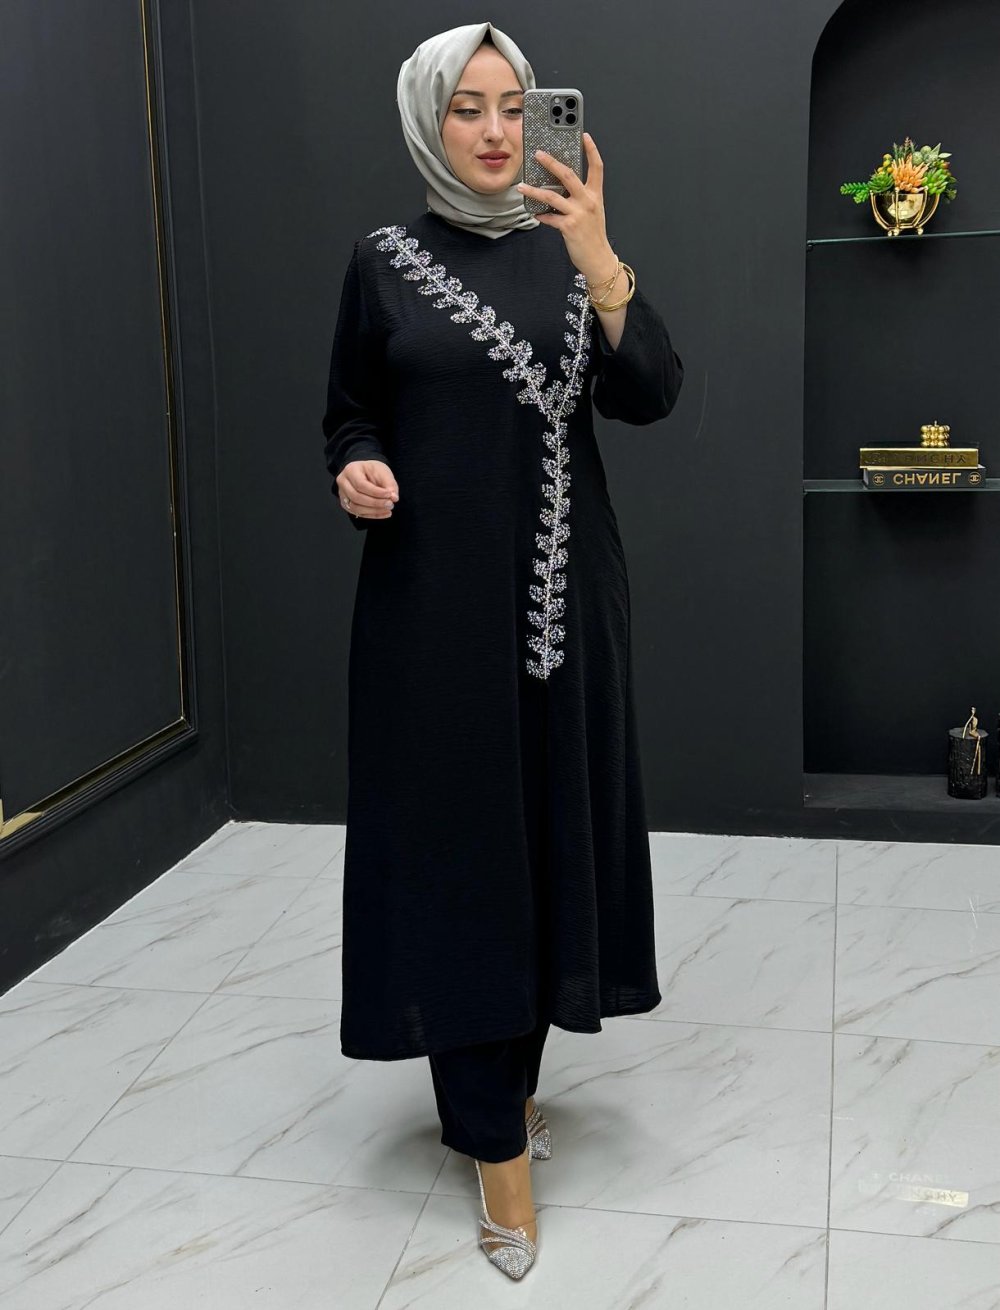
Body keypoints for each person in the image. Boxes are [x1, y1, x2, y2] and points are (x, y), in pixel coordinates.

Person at [321, 20, 683, 1280]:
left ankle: (499, 1087)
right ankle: (495, 1143)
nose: (493, 131)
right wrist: (356, 468)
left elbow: (651, 391)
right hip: (430, 623)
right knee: (461, 862)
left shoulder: (568, 251)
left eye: (513, 106)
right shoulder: (381, 262)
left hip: (564, 613)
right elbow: (349, 414)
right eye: (466, 107)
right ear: (428, 119)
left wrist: (601, 257)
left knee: (543, 848)